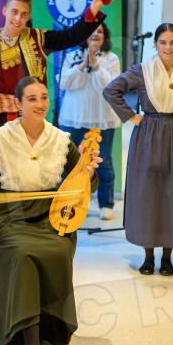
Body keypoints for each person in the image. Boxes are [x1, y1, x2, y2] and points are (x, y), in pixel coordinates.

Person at [0, 76, 101, 345]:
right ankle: (31, 341)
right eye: (32, 99)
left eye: (44, 97)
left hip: (49, 216)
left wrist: (87, 172)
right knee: (23, 253)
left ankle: (50, 330)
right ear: (18, 104)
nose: (40, 104)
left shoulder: (61, 139)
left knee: (58, 249)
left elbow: (85, 184)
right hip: (5, 218)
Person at [104, 23, 173, 275]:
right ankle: (148, 257)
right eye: (163, 42)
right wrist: (132, 116)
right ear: (155, 44)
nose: (168, 47)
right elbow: (111, 90)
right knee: (149, 193)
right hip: (149, 135)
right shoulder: (141, 71)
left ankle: (167, 257)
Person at [0, 0, 112, 137]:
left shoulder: (39, 38)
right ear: (5, 11)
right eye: (14, 12)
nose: (18, 18)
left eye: (24, 14)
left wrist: (94, 7)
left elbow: (71, 36)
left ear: (28, 17)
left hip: (29, 119)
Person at [58, 22, 121, 220]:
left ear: (105, 36)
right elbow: (64, 83)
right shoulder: (72, 56)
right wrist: (83, 65)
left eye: (100, 31)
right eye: (92, 31)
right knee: (70, 162)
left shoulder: (112, 58)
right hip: (73, 117)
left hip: (102, 119)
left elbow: (110, 87)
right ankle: (67, 202)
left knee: (104, 162)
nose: (96, 34)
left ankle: (106, 204)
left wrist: (96, 65)